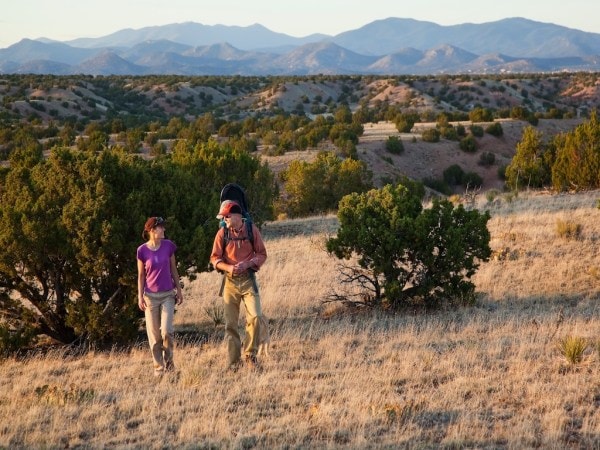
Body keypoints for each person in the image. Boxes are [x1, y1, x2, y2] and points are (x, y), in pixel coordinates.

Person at [210, 200, 268, 369]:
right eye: (223, 217)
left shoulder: (251, 230)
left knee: (256, 316)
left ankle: (250, 355)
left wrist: (248, 264)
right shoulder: (222, 233)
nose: (224, 220)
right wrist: (228, 267)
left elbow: (262, 254)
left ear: (236, 215)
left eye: (226, 217)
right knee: (231, 324)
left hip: (249, 280)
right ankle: (234, 362)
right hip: (230, 282)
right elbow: (214, 258)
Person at [137, 216, 183, 377]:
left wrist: (179, 289)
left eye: (163, 227)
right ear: (151, 230)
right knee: (155, 336)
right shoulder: (141, 250)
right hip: (150, 297)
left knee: (167, 331)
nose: (164, 230)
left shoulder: (169, 246)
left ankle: (169, 362)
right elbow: (141, 275)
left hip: (168, 295)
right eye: (160, 227)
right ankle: (159, 368)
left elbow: (174, 270)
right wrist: (140, 296)